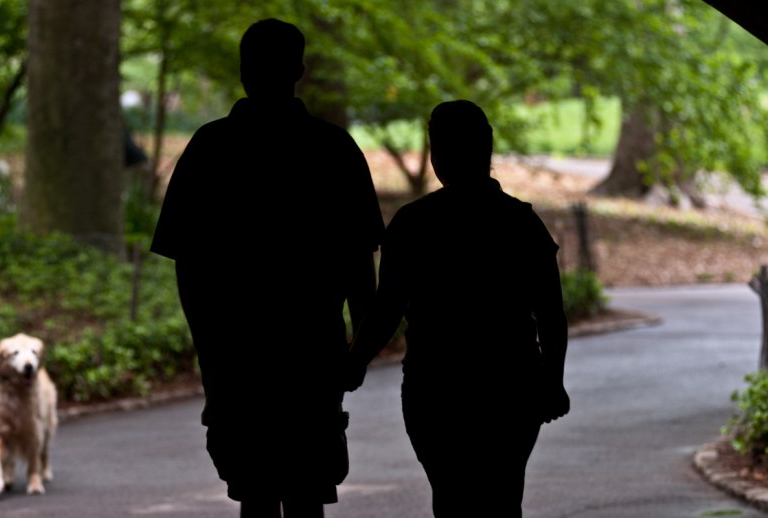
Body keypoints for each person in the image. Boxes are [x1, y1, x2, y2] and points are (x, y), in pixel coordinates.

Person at [150, 18, 384, 518]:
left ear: (242, 71)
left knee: (253, 494)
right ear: (298, 71)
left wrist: (208, 355)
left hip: (237, 357)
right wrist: (357, 352)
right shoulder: (333, 149)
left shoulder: (210, 149)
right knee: (307, 492)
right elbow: (361, 267)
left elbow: (188, 271)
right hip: (312, 353)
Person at [341, 99, 570, 518]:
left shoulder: (414, 224)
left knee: (450, 496)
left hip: (436, 386)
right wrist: (552, 382)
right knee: (503, 496)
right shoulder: (521, 224)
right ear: (487, 150)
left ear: (437, 154)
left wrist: (355, 360)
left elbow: (387, 308)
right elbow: (552, 315)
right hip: (512, 384)